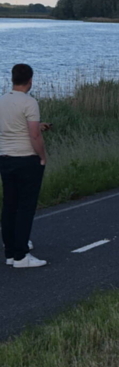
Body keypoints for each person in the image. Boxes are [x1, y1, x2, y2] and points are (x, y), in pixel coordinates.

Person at [1, 64, 51, 268]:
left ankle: (11, 252)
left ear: (12, 79)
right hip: (26, 157)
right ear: (30, 80)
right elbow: (34, 135)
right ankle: (22, 255)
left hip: (5, 157)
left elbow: (13, 126)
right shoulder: (30, 103)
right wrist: (42, 156)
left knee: (10, 205)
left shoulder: (3, 100)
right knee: (25, 207)